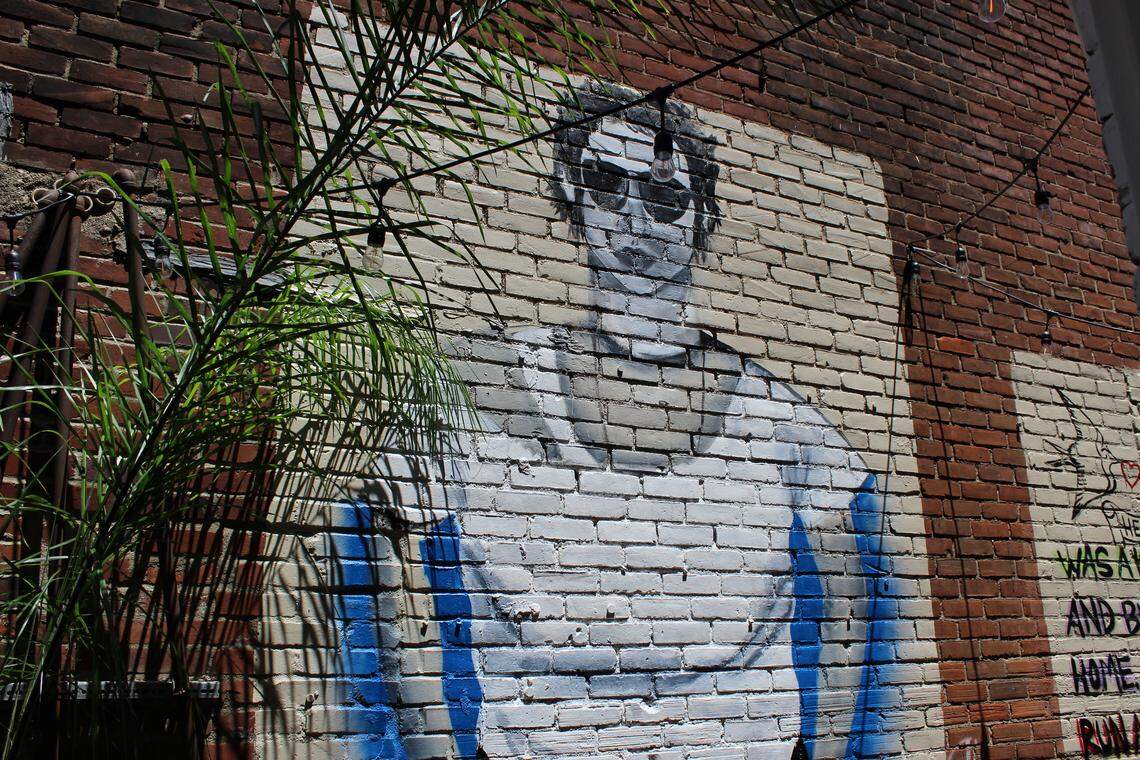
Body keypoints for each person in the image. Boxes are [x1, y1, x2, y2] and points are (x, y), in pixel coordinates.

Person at [327, 80, 897, 760]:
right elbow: (388, 568)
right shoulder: (482, 385)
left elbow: (852, 600)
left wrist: (826, 750)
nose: (633, 219)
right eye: (604, 184)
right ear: (569, 193)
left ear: (702, 218)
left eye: (662, 196)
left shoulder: (780, 422)